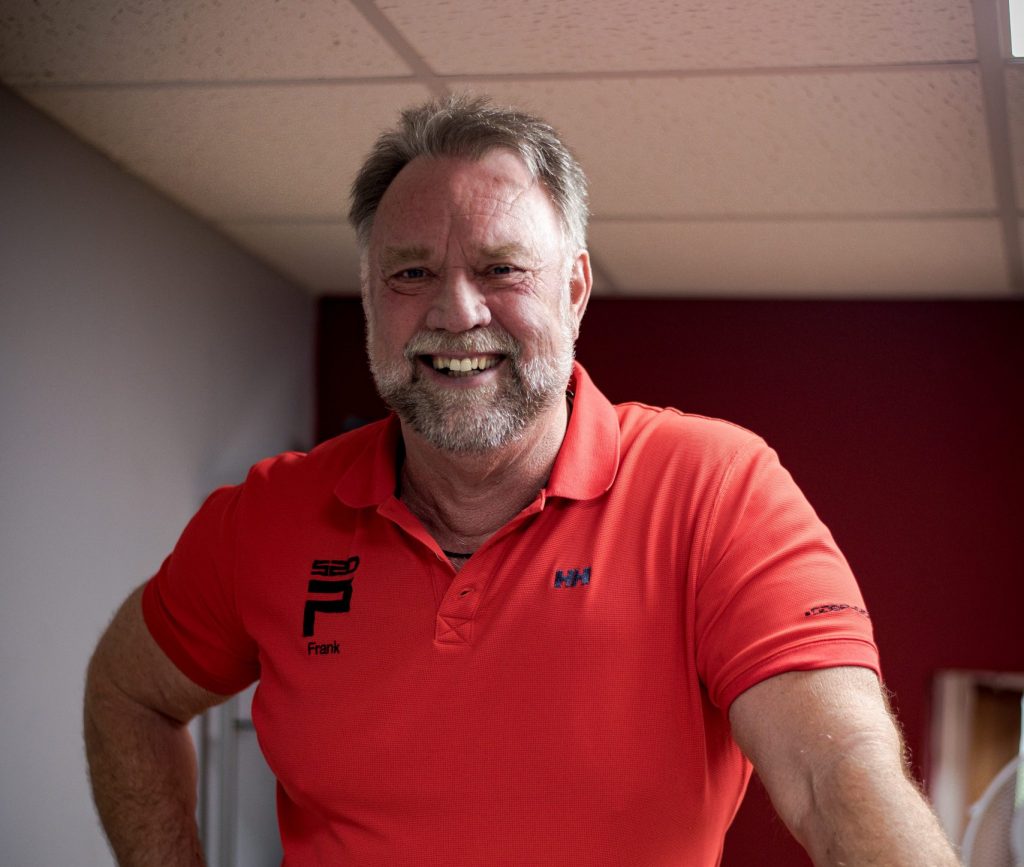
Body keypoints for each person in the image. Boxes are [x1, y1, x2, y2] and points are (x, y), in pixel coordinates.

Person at [84, 95, 960, 867]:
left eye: (501, 268)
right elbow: (128, 693)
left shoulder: (716, 489)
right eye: (411, 272)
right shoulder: (269, 515)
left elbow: (834, 770)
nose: (456, 310)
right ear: (371, 300)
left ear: (574, 290)